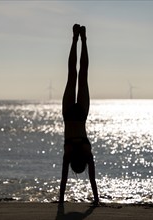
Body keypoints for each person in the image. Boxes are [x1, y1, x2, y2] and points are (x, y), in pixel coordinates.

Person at [59, 24, 99, 205]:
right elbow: (64, 180)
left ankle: (83, 39)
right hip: (69, 114)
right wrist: (60, 200)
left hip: (81, 114)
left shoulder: (86, 153)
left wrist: (97, 199)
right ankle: (75, 38)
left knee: (82, 75)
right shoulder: (68, 153)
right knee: (72, 75)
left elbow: (92, 179)